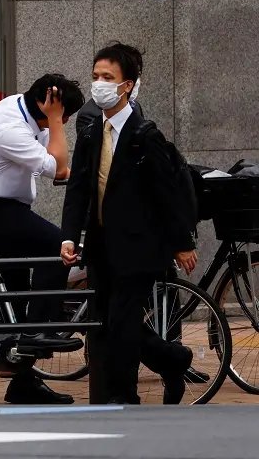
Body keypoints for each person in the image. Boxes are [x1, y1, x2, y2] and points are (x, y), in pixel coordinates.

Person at [61, 42, 198, 405]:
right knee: (108, 324)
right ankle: (172, 360)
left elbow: (166, 194)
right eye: (95, 76)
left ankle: (124, 399)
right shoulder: (91, 130)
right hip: (101, 246)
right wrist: (69, 236)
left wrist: (182, 243)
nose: (99, 84)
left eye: (108, 77)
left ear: (128, 85)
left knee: (122, 324)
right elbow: (78, 189)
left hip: (139, 248)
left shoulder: (145, 135)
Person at [0, 73, 85, 404]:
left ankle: (23, 381)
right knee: (57, 245)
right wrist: (56, 121)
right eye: (64, 114)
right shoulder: (8, 126)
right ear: (47, 105)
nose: (65, 122)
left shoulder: (25, 114)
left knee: (18, 303)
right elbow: (59, 168)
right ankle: (37, 333)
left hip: (3, 211)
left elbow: (57, 164)